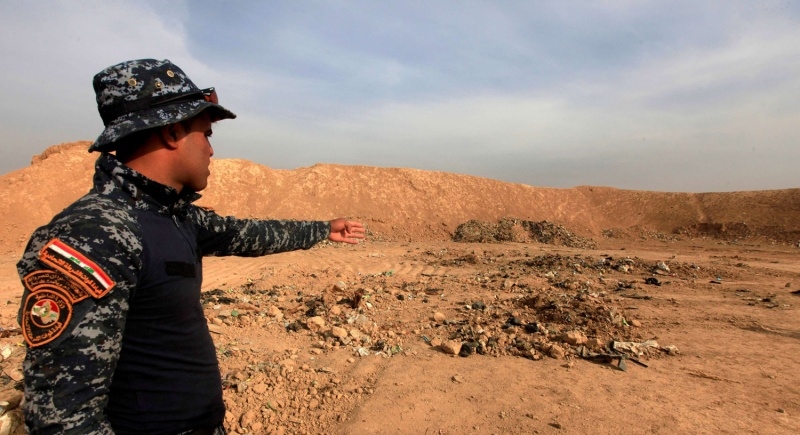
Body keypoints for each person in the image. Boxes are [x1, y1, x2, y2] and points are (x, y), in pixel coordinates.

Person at [16, 58, 365, 435]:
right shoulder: (96, 232)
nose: (211, 150)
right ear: (172, 132)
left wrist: (323, 229)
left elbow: (246, 234)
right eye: (206, 135)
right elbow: (64, 415)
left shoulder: (172, 215)